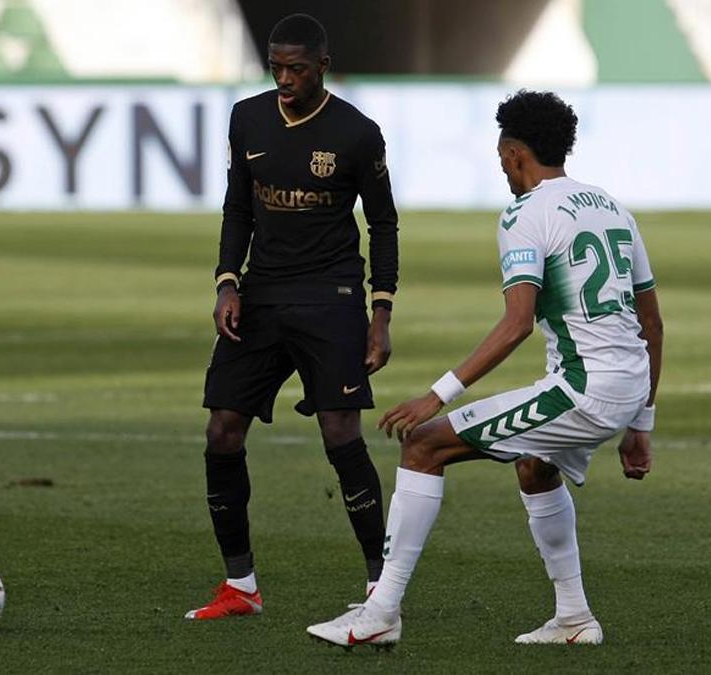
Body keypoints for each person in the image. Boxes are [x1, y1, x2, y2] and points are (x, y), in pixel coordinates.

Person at [306, 90, 663, 648]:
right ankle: (573, 618)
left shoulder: (526, 213)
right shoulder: (612, 207)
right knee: (535, 467)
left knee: (424, 444)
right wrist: (642, 423)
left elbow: (517, 321)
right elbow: (653, 324)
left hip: (583, 390)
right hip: (626, 383)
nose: (501, 166)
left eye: (502, 155)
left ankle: (381, 612)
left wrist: (437, 394)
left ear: (515, 151)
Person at [186, 13, 399, 621]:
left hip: (331, 297)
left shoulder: (358, 133)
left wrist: (380, 313)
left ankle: (380, 585)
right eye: (276, 66)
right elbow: (237, 208)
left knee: (340, 432)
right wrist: (228, 283)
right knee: (221, 428)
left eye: (296, 68)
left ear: (321, 66)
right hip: (261, 295)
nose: (284, 78)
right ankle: (241, 586)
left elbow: (382, 224)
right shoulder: (247, 117)